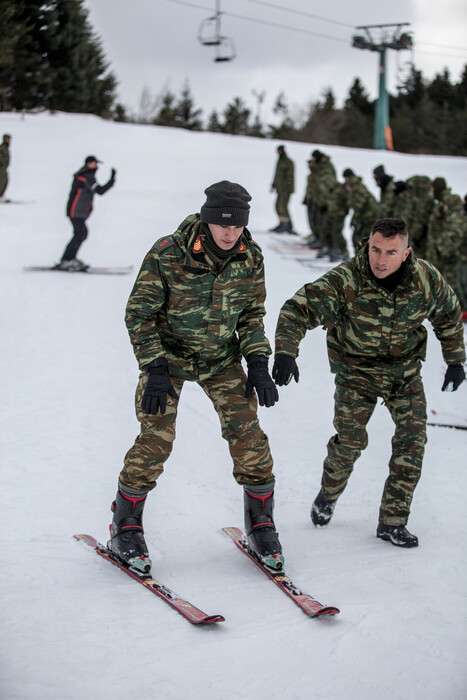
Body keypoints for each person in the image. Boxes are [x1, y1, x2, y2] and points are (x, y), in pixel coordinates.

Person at [108, 180, 283, 574]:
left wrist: (257, 362)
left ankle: (261, 522)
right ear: (207, 221)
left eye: (237, 226)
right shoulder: (169, 253)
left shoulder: (249, 257)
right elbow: (139, 314)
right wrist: (154, 367)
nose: (230, 232)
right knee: (156, 439)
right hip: (167, 360)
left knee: (249, 437)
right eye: (223, 225)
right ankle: (126, 525)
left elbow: (252, 315)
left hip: (220, 359)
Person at [273, 217, 465, 548]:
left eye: (391, 252)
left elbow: (448, 314)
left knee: (412, 442)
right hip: (356, 373)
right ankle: (329, 494)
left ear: (406, 253)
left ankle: (392, 521)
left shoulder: (425, 279)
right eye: (376, 249)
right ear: (368, 245)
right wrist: (286, 352)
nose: (380, 259)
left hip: (403, 374)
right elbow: (297, 310)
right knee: (349, 443)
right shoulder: (348, 278)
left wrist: (455, 360)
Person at [56, 155, 116, 271]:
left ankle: (69, 258)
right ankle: (67, 260)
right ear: (89, 164)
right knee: (80, 233)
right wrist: (112, 180)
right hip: (75, 211)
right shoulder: (86, 176)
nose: (97, 166)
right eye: (95, 163)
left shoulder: (85, 175)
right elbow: (100, 190)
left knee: (81, 234)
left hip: (78, 211)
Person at [343, 168, 379, 250]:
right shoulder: (357, 186)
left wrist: (355, 219)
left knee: (361, 239)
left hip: (369, 218)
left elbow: (359, 205)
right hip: (367, 217)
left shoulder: (356, 188)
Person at [270, 145, 295, 233]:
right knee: (277, 206)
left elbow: (290, 177)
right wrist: (274, 184)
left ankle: (288, 225)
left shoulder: (288, 162)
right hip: (280, 189)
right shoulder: (280, 161)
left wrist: (286, 187)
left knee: (283, 207)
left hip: (286, 189)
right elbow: (277, 174)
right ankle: (282, 223)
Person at [0, 133, 11, 201]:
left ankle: (1, 195)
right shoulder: (2, 147)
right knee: (2, 181)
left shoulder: (6, 147)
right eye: (7, 139)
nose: (8, 140)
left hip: (4, 168)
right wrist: (2, 163)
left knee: (5, 181)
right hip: (1, 167)